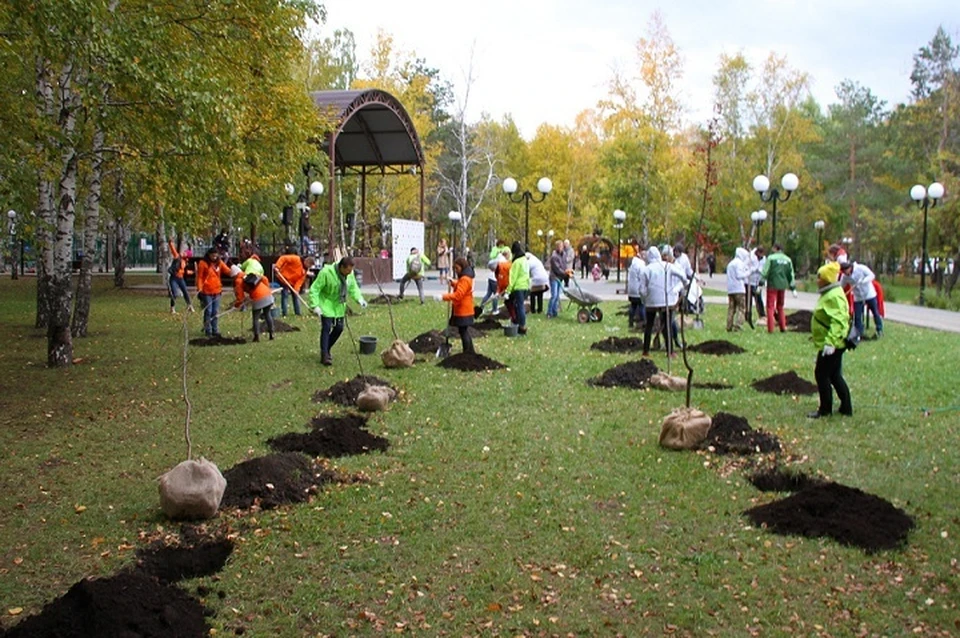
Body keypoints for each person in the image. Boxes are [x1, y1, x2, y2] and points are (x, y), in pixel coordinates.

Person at [809, 261, 853, 418]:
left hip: (833, 344)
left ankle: (825, 409)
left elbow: (839, 321)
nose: (817, 280)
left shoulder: (833, 296)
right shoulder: (830, 293)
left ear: (827, 279)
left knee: (821, 374)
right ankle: (846, 407)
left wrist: (830, 342)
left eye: (819, 277)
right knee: (834, 375)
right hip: (832, 342)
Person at [308, 256, 367, 366]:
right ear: (341, 267)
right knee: (326, 327)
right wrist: (315, 305)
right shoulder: (326, 272)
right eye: (347, 271)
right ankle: (325, 355)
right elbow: (315, 289)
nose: (349, 273)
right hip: (325, 303)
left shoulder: (349, 274)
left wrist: (359, 299)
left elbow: (353, 288)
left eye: (351, 271)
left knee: (339, 328)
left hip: (339, 305)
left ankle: (326, 348)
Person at [639, 246, 688, 357]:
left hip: (651, 301)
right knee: (667, 325)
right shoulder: (668, 266)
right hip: (667, 301)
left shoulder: (646, 270)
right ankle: (670, 351)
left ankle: (646, 351)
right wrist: (680, 288)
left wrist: (645, 299)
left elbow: (642, 290)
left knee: (649, 325)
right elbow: (683, 276)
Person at [435, 257, 476, 354]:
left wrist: (442, 297)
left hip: (464, 310)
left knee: (463, 332)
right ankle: (470, 351)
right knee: (464, 331)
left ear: (462, 267)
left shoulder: (465, 279)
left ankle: (467, 353)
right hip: (465, 310)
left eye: (457, 268)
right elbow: (460, 286)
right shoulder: (465, 277)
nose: (456, 271)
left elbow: (458, 295)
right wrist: (453, 282)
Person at [194, 248, 234, 337]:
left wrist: (235, 271)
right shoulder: (203, 263)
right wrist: (199, 288)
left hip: (217, 291)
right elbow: (200, 277)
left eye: (216, 255)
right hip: (207, 291)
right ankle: (208, 329)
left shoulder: (219, 263)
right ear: (209, 255)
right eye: (213, 255)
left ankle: (215, 330)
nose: (214, 257)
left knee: (215, 311)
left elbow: (227, 271)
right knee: (208, 310)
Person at [840, 261, 883, 338]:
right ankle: (858, 333)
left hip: (869, 294)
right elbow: (841, 286)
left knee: (875, 312)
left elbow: (872, 275)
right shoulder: (845, 277)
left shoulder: (861, 268)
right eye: (843, 272)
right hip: (858, 297)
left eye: (845, 271)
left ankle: (879, 330)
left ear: (849, 268)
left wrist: (864, 281)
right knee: (857, 316)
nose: (845, 273)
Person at [760, 243, 796, 333]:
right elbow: (791, 274)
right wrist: (792, 287)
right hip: (783, 286)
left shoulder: (771, 258)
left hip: (772, 285)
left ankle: (771, 328)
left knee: (770, 307)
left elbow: (765, 271)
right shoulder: (788, 260)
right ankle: (783, 327)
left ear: (776, 248)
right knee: (780, 306)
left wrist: (761, 283)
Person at [233, 270, 275, 342]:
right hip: (268, 294)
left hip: (257, 297)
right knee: (268, 314)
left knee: (256, 317)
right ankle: (272, 334)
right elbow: (264, 278)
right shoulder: (249, 275)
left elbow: (240, 296)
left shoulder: (238, 281)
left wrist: (237, 304)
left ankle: (256, 337)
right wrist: (267, 288)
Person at [505, 241, 530, 335]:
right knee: (518, 305)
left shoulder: (516, 263)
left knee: (520, 307)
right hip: (525, 286)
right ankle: (518, 323)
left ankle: (522, 327)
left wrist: (508, 291)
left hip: (518, 287)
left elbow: (513, 278)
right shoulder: (525, 261)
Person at [273, 245, 306, 317]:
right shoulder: (296, 258)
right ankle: (284, 313)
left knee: (295, 296)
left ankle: (298, 313)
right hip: (284, 279)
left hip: (293, 282)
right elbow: (283, 258)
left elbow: (299, 281)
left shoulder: (304, 271)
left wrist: (296, 290)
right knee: (285, 295)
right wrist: (277, 267)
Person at [725, 247, 750, 332]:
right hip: (739, 289)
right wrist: (748, 273)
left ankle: (729, 325)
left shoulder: (730, 264)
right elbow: (739, 275)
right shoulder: (739, 264)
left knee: (731, 308)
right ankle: (738, 326)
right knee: (741, 308)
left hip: (730, 289)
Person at [167, 239, 194, 314]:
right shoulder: (177, 257)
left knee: (185, 292)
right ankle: (172, 308)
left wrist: (190, 272)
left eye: (185, 253)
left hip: (180, 278)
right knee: (174, 293)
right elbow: (173, 250)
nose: (183, 253)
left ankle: (189, 306)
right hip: (174, 278)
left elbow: (184, 271)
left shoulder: (185, 262)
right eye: (183, 252)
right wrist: (171, 243)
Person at [626, 249, 647, 331]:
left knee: (633, 306)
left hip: (631, 290)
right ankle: (643, 322)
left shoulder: (633, 264)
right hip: (638, 290)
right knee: (641, 306)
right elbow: (643, 276)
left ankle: (631, 322)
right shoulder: (641, 265)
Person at [547, 240, 567, 318]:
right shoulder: (554, 256)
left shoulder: (564, 255)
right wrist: (564, 273)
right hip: (554, 277)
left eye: (561, 246)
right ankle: (549, 312)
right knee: (554, 295)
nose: (560, 248)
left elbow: (564, 265)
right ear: (556, 247)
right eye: (559, 246)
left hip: (560, 277)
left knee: (557, 295)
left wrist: (567, 272)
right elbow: (557, 269)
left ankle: (554, 311)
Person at [746, 246, 766, 324]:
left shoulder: (764, 259)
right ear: (757, 252)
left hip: (758, 282)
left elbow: (764, 268)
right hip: (749, 282)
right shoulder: (750, 257)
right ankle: (748, 315)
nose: (761, 256)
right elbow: (746, 267)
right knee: (749, 300)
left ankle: (762, 315)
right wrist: (753, 269)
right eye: (759, 254)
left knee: (759, 298)